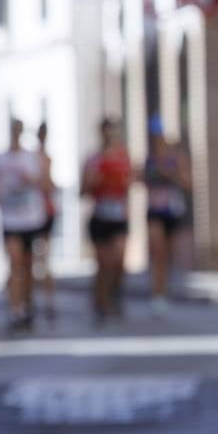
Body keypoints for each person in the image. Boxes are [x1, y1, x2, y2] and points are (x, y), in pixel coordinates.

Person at [0, 119, 50, 331]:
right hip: (11, 219)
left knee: (30, 268)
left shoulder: (33, 158)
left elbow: (47, 184)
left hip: (32, 219)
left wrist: (32, 181)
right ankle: (15, 310)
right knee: (15, 266)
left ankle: (28, 305)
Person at [82, 117, 132, 322]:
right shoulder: (92, 160)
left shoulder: (123, 157)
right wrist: (93, 181)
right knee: (103, 263)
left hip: (119, 216)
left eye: (114, 132)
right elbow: (83, 191)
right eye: (106, 132)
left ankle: (115, 294)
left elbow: (129, 184)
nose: (110, 136)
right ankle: (100, 302)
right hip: (100, 217)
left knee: (119, 260)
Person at [141, 114, 191, 317]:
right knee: (158, 252)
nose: (157, 139)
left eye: (159, 135)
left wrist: (172, 173)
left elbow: (188, 183)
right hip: (154, 211)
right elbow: (143, 182)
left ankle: (163, 291)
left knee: (167, 255)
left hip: (172, 210)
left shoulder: (176, 157)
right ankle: (157, 294)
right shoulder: (149, 159)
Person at [32, 121, 58, 322]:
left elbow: (49, 186)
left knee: (43, 259)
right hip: (30, 214)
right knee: (30, 260)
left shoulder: (46, 158)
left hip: (45, 213)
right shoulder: (32, 158)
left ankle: (48, 301)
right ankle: (29, 300)